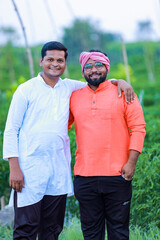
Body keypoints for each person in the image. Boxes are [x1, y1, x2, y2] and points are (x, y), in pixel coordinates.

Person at [3, 41, 134, 240]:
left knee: (52, 229)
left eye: (60, 60)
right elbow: (11, 129)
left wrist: (120, 81)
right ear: (41, 61)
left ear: (65, 63)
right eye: (50, 60)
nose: (54, 64)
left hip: (57, 171)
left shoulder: (70, 87)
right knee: (25, 229)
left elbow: (97, 82)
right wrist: (14, 168)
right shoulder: (26, 90)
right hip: (29, 170)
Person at [69, 50, 146, 240]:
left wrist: (131, 164)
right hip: (84, 176)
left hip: (118, 175)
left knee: (118, 232)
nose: (93, 70)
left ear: (107, 67)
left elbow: (138, 128)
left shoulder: (124, 91)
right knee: (91, 233)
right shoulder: (74, 96)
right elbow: (59, 127)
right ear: (82, 71)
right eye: (88, 66)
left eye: (98, 65)